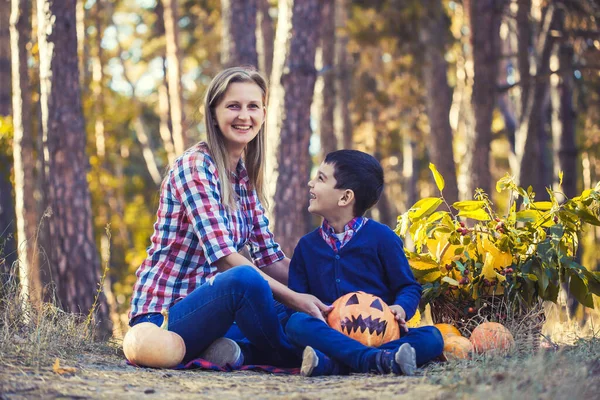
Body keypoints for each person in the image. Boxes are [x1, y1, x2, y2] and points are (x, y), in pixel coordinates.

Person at [128, 66, 330, 368]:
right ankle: (288, 356)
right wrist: (295, 298)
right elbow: (224, 258)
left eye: (253, 106)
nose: (244, 116)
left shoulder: (242, 178)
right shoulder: (195, 166)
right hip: (166, 317)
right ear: (213, 113)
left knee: (293, 300)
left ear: (263, 113)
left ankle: (237, 351)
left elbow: (270, 258)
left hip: (216, 311)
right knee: (245, 280)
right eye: (233, 106)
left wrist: (328, 289)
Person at [284, 150, 444, 376]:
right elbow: (296, 303)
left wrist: (400, 308)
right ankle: (375, 360)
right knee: (296, 324)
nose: (310, 183)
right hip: (330, 335)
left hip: (381, 332)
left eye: (320, 178)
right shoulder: (306, 247)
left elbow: (408, 286)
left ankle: (336, 364)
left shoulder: (383, 238)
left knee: (433, 337)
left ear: (345, 197)